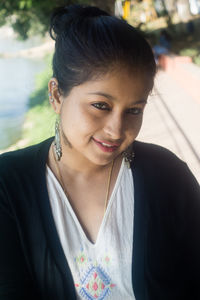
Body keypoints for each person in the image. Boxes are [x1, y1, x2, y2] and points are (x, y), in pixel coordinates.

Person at [0, 4, 200, 300]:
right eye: (101, 106)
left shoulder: (168, 176)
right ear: (56, 95)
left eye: (134, 110)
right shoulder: (8, 185)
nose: (116, 130)